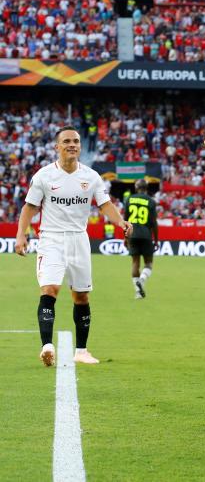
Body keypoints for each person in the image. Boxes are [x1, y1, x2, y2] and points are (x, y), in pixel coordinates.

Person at [15, 127, 132, 366]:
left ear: (80, 146)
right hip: (51, 239)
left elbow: (105, 204)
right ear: (57, 147)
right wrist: (21, 236)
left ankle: (81, 351)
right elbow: (29, 208)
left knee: (81, 295)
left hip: (79, 239)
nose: (72, 145)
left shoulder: (91, 177)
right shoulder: (44, 176)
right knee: (49, 290)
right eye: (66, 141)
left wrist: (120, 221)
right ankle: (47, 345)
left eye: (76, 141)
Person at [124, 178, 158, 299]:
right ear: (146, 188)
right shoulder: (151, 201)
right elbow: (154, 222)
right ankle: (142, 280)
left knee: (135, 263)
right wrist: (156, 240)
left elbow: (126, 221)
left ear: (136, 187)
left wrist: (125, 237)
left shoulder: (129, 199)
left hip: (132, 235)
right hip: (146, 235)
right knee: (148, 263)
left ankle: (138, 292)